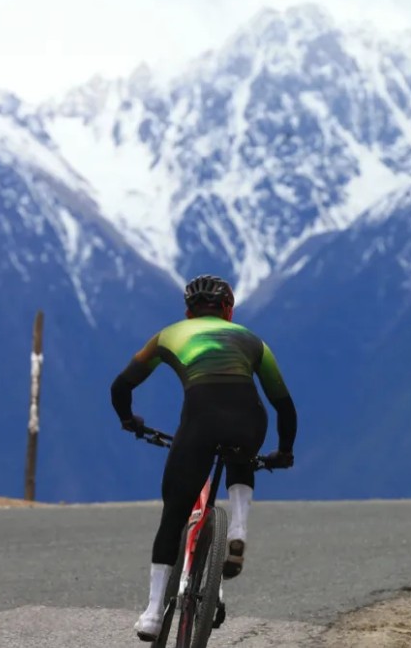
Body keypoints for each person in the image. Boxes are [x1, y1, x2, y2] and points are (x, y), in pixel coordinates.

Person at [109, 273, 298, 641]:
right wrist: (285, 451)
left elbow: (121, 386)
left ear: (187, 311)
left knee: (175, 514)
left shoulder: (169, 335)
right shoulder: (252, 340)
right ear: (228, 310)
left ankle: (151, 613)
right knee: (241, 456)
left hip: (199, 423)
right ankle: (238, 531)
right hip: (250, 421)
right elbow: (284, 405)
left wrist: (129, 420)